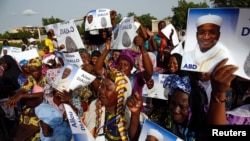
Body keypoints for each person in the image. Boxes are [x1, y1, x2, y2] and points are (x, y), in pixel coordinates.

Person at [82, 69, 147, 140]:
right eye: (102, 86)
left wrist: (135, 115)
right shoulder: (94, 106)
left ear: (120, 94)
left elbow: (134, 138)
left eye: (108, 89)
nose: (101, 90)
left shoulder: (130, 114)